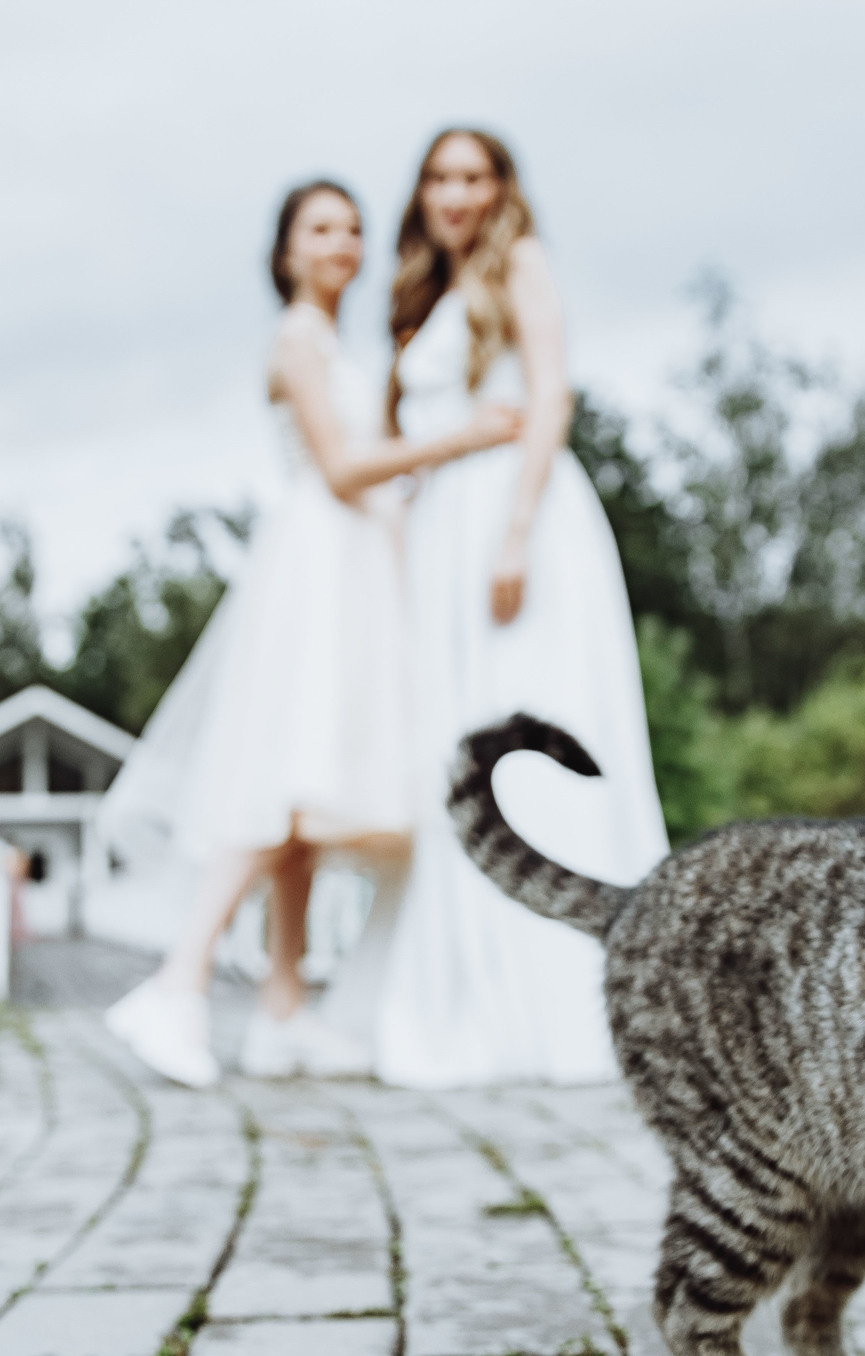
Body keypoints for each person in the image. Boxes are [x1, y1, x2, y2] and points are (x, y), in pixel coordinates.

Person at [102, 179, 521, 1088]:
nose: (343, 242)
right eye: (321, 228)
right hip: (317, 565)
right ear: (286, 251)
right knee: (280, 786)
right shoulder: (297, 338)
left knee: (310, 801)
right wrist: (466, 439)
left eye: (353, 228)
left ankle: (282, 1010)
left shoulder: (338, 342)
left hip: (360, 565)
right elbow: (339, 468)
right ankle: (178, 983)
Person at [370, 129, 668, 1087]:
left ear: (501, 189)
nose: (455, 193)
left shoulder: (522, 265)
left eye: (473, 176)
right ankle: (465, 985)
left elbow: (550, 400)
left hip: (513, 512)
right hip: (442, 529)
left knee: (529, 726)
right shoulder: (425, 292)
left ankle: (560, 993)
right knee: (450, 736)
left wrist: (516, 530)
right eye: (440, 177)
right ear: (421, 192)